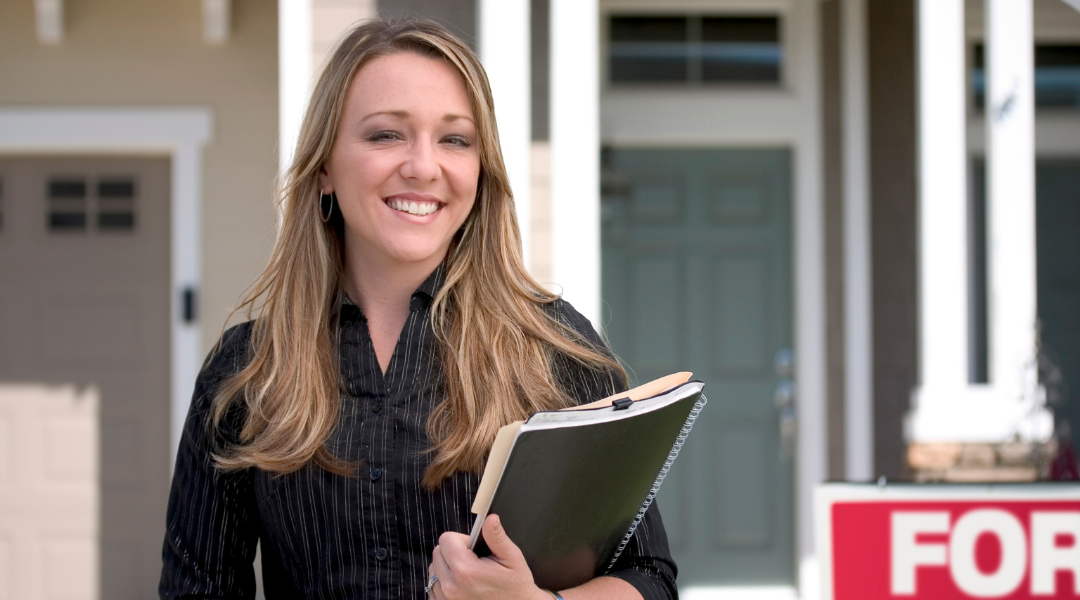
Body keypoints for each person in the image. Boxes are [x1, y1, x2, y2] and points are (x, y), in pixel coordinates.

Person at [159, 18, 677, 600]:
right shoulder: (249, 367)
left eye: (455, 139)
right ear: (325, 166)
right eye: (386, 135)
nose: (424, 167)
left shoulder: (551, 348)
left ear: (481, 173)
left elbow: (649, 577)